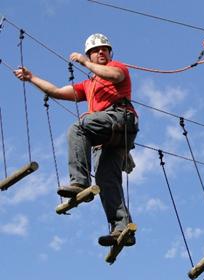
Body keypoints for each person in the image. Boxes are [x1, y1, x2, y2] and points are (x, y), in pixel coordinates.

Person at [13, 33, 138, 247]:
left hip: (120, 119)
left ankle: (79, 182)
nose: (100, 52)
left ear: (109, 53)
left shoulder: (117, 67)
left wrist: (84, 61)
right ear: (90, 52)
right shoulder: (87, 85)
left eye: (104, 49)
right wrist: (31, 77)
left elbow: (113, 76)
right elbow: (57, 92)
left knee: (78, 127)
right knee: (106, 180)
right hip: (109, 138)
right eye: (95, 50)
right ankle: (121, 228)